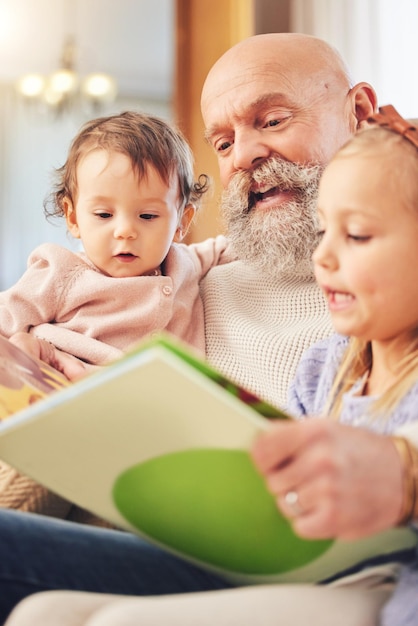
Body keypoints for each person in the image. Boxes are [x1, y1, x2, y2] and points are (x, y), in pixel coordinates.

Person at [0, 32, 413, 626]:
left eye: (270, 119)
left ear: (360, 113)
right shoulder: (181, 280)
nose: (243, 155)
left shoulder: (392, 295)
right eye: (223, 141)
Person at [0, 110, 231, 527]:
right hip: (62, 408)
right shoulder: (62, 272)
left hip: (139, 435)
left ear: (182, 221)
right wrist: (22, 356)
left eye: (148, 216)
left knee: (108, 518)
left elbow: (234, 248)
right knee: (31, 495)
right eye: (103, 215)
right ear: (72, 217)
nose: (125, 231)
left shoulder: (187, 264)